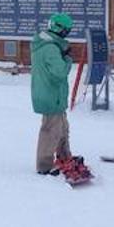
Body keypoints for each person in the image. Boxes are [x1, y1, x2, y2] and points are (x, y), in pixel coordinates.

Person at [30, 11, 75, 174]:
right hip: (50, 94)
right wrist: (68, 59)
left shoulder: (49, 45)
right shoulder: (50, 48)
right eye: (67, 30)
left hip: (51, 93)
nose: (67, 34)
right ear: (61, 30)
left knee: (62, 127)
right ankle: (44, 165)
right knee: (50, 130)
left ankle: (64, 156)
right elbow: (60, 72)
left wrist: (63, 54)